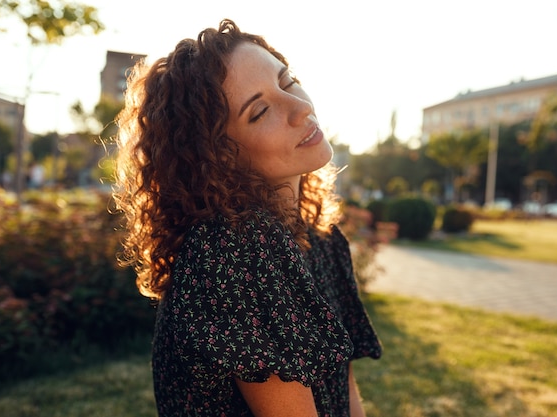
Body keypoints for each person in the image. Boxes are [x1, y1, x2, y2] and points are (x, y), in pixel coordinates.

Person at [114, 19, 382, 417]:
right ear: (218, 157)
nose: (301, 107)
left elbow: (344, 392)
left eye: (288, 82)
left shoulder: (319, 235)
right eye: (259, 112)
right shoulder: (234, 249)